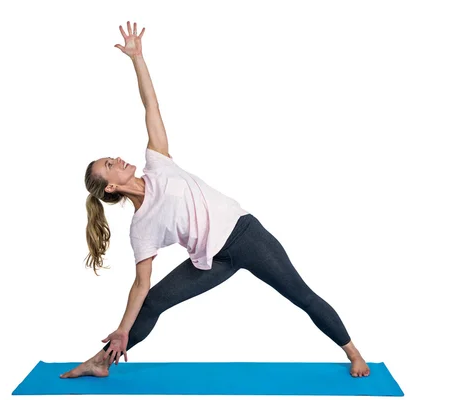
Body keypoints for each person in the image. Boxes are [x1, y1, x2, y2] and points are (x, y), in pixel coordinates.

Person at [61, 21, 370, 379]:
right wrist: (121, 329)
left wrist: (137, 59)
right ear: (110, 188)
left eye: (111, 157)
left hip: (247, 237)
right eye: (110, 165)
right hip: (212, 261)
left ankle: (354, 353)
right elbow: (141, 285)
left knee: (301, 295)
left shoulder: (157, 162)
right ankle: (100, 361)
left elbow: (152, 106)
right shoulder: (141, 226)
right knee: (154, 303)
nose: (117, 159)